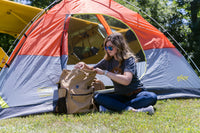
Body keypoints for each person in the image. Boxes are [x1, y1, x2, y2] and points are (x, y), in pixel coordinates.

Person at [74, 32, 157, 115]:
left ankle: (116, 108)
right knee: (98, 97)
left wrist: (105, 73)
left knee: (151, 97)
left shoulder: (128, 59)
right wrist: (84, 65)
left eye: (110, 47)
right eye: (106, 47)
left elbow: (126, 80)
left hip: (136, 94)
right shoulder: (107, 60)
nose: (107, 50)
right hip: (121, 96)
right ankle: (130, 109)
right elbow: (92, 69)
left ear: (118, 47)